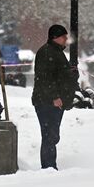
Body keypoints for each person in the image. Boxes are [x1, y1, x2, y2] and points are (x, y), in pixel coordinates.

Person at [32, 24, 79, 170]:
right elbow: (45, 78)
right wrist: (54, 97)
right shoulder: (47, 52)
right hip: (47, 102)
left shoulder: (56, 52)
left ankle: (50, 165)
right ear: (55, 38)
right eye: (63, 37)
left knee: (52, 135)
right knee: (49, 136)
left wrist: (70, 74)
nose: (66, 39)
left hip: (54, 102)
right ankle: (49, 167)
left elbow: (58, 74)